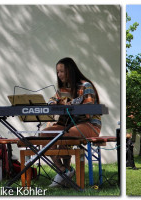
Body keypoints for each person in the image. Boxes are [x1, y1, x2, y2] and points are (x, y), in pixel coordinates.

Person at [41, 57, 101, 187]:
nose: (59, 75)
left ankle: (66, 173)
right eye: (57, 72)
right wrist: (53, 103)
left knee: (64, 134)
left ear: (70, 70)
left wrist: (71, 106)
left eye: (62, 71)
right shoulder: (62, 89)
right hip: (67, 125)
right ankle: (63, 170)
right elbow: (52, 100)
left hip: (90, 125)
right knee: (44, 135)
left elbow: (88, 113)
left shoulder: (86, 86)